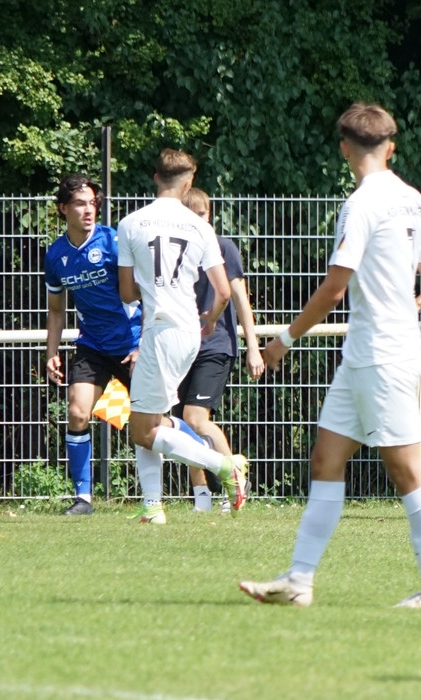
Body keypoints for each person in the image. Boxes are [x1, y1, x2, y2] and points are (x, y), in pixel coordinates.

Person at [239, 102, 421, 609]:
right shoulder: (411, 199)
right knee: (326, 458)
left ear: (344, 149)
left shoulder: (361, 204)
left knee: (408, 471)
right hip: (366, 354)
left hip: (383, 354)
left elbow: (334, 289)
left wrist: (283, 340)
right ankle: (299, 581)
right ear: (391, 147)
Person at [117, 149, 248, 525]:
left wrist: (148, 286)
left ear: (155, 178)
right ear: (188, 183)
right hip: (190, 331)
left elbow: (127, 293)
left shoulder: (130, 224)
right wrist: (211, 321)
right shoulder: (199, 227)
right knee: (149, 419)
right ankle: (152, 508)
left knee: (142, 430)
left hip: (160, 329)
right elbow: (222, 291)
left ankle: (223, 466)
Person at [44, 174, 142, 515]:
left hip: (132, 343)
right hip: (93, 346)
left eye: (93, 204)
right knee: (77, 412)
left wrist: (144, 343)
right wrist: (51, 353)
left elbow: (147, 293)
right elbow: (56, 310)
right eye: (80, 204)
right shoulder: (55, 255)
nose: (89, 210)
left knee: (153, 424)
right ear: (63, 208)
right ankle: (83, 499)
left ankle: (217, 468)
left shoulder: (113, 242)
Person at [175, 188, 265, 513]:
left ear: (209, 215)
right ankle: (201, 496)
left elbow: (240, 299)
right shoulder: (175, 251)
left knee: (195, 417)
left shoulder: (223, 248)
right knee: (182, 425)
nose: (199, 220)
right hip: (181, 345)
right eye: (191, 214)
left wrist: (253, 348)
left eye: (203, 214)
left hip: (215, 345)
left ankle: (234, 479)